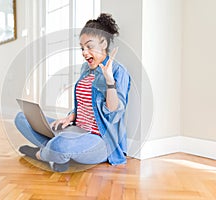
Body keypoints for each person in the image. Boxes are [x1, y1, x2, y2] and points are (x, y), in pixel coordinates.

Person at [14, 13, 131, 172]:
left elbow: (114, 114)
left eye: (89, 46)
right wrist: (71, 116)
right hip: (76, 130)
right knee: (21, 118)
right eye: (82, 47)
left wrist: (109, 81)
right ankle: (57, 154)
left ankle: (40, 154)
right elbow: (84, 104)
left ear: (103, 43)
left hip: (100, 140)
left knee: (61, 143)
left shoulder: (118, 71)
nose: (84, 52)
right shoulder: (86, 68)